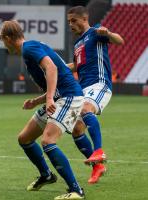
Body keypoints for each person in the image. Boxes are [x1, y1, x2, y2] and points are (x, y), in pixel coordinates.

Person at [0, 20, 85, 200]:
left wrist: (48, 98)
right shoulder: (30, 48)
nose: (3, 44)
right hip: (60, 97)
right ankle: (46, 175)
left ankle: (76, 190)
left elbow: (52, 68)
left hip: (68, 97)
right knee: (25, 138)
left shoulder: (29, 48)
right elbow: (56, 71)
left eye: (2, 40)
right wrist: (37, 101)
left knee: (48, 141)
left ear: (7, 38)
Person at [67, 6, 124, 184]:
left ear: (84, 19)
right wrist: (55, 67)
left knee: (85, 109)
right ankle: (97, 166)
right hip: (83, 88)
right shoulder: (77, 43)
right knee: (76, 129)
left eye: (73, 21)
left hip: (99, 83)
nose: (70, 25)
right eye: (69, 22)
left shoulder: (95, 32)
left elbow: (119, 41)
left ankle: (99, 151)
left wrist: (108, 33)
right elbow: (76, 67)